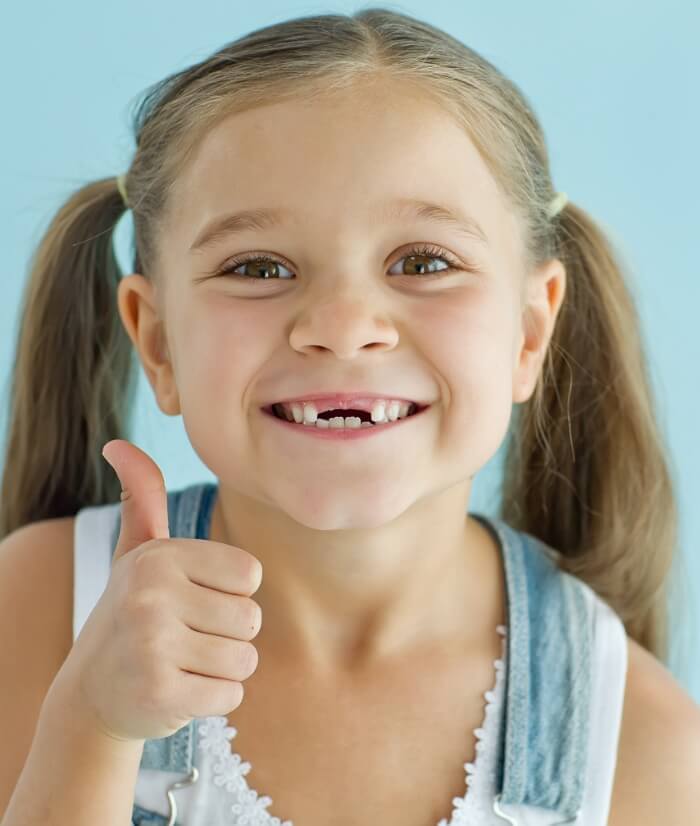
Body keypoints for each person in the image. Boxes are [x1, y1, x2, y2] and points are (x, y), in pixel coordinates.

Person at [1, 8, 698, 826]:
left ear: (529, 332)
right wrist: (91, 722)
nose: (340, 324)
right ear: (157, 342)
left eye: (424, 262)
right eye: (258, 266)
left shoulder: (645, 752)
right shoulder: (41, 606)